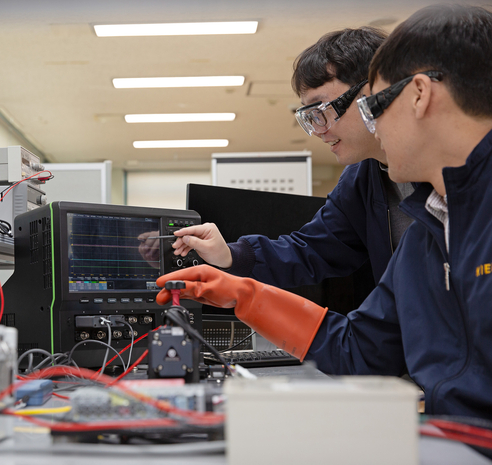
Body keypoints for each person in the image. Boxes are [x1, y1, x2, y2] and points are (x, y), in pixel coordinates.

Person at [158, 3, 492, 420]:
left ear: (419, 95)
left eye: (377, 106)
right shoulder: (425, 231)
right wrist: (242, 291)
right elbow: (359, 347)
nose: (377, 126)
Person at [171, 27, 416, 295]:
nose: (319, 130)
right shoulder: (361, 179)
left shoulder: (445, 166)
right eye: (309, 118)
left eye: (322, 110)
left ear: (373, 92)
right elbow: (312, 250)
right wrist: (230, 255)